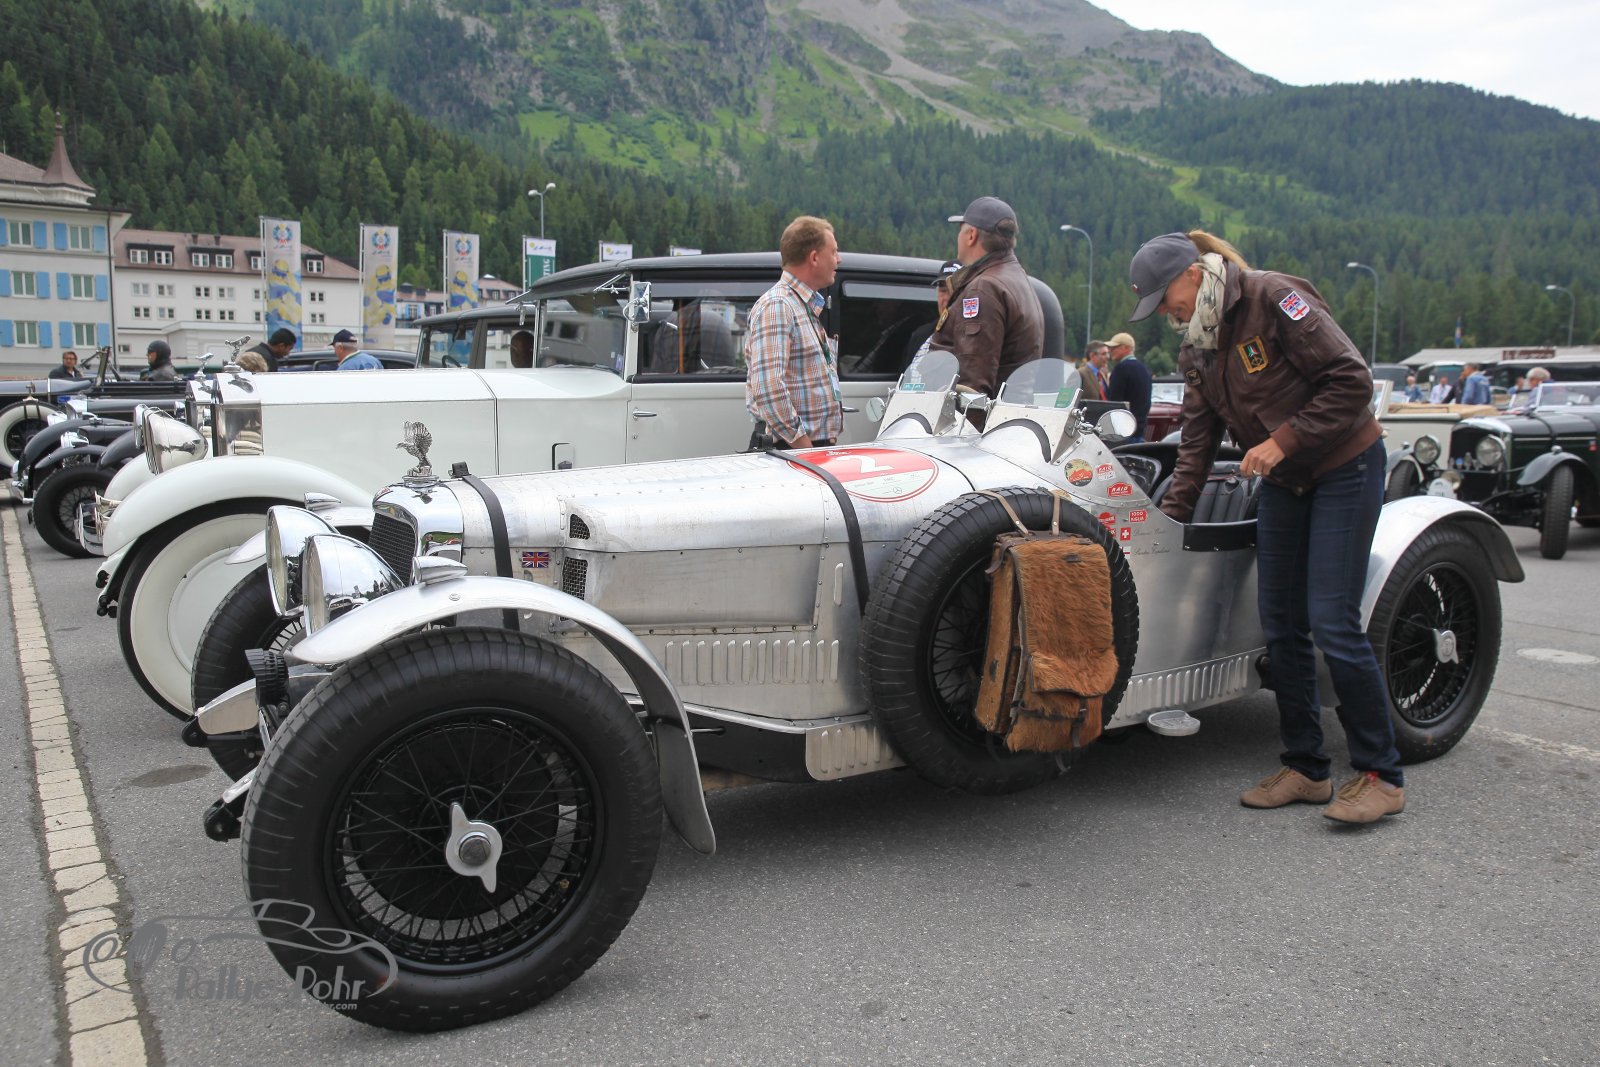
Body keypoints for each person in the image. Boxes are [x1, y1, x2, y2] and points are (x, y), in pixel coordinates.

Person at [1129, 229, 1403, 825]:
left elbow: (1352, 380)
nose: (1167, 313)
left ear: (1192, 274)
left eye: (1166, 298)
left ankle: (1381, 774)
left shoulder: (1273, 296)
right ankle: (1307, 769)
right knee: (1280, 623)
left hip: (1344, 465)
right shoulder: (1198, 346)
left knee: (1332, 620)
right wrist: (1167, 522)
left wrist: (1283, 440)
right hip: (1286, 481)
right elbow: (1196, 445)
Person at [927, 196, 1043, 401]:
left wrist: (962, 420)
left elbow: (971, 384)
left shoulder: (984, 288)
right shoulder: (1016, 278)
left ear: (971, 235)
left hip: (979, 419)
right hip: (1007, 412)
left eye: (960, 230)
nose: (958, 237)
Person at [744, 215, 843, 450]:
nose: (838, 259)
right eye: (834, 252)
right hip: (790, 449)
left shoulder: (799, 305)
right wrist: (803, 447)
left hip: (799, 449)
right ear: (814, 257)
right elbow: (768, 388)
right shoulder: (778, 305)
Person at [1104, 331, 1152, 441]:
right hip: (1139, 429)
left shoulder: (1121, 369)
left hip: (1123, 432)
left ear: (1126, 348)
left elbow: (1114, 402)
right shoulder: (1144, 369)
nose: (1110, 351)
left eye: (1114, 347)